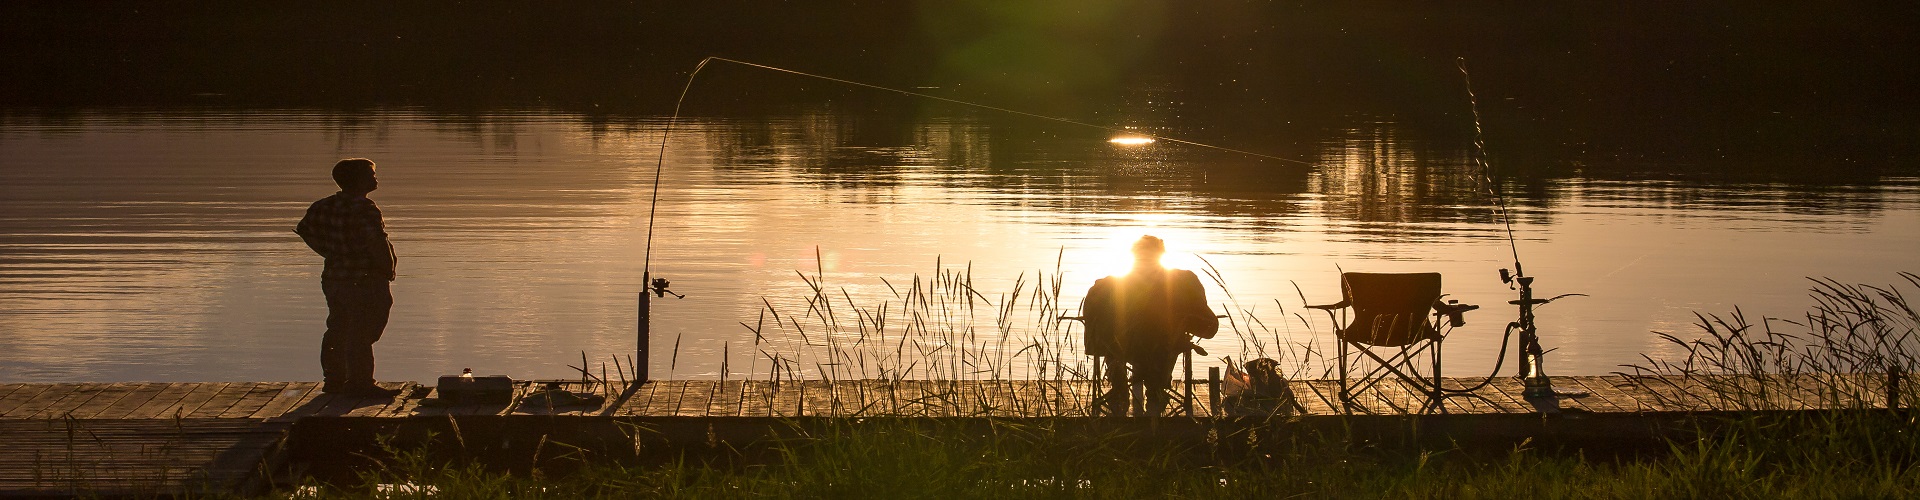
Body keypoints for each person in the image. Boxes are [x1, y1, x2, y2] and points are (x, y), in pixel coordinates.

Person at [295, 158, 401, 397]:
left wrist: (330, 252)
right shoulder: (364, 208)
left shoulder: (324, 205)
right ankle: (360, 382)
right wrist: (387, 269)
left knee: (339, 326)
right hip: (365, 278)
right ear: (359, 180)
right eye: (371, 174)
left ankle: (334, 379)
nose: (375, 178)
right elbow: (376, 241)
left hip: (335, 277)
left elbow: (305, 231)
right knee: (363, 330)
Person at [1081, 235, 1219, 416]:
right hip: (1162, 348)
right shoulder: (1184, 282)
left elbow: (1093, 323)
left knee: (1113, 335)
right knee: (1171, 339)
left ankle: (1119, 383)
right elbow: (1207, 322)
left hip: (1120, 348)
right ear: (1161, 255)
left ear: (1133, 256)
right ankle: (1156, 387)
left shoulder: (1106, 285)